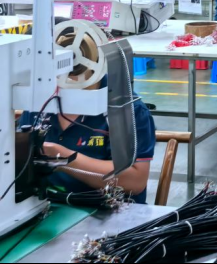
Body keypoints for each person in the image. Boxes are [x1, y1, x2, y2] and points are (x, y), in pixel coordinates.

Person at [17, 46, 156, 203]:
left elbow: (135, 180)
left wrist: (63, 158)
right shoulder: (39, 102)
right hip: (48, 205)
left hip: (109, 210)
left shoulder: (125, 108)